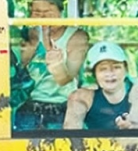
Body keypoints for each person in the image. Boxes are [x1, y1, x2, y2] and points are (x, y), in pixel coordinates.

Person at [14, 0, 89, 130]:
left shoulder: (77, 36)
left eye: (48, 13)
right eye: (37, 13)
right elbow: (14, 71)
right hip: (27, 109)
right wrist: (32, 45)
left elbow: (66, 80)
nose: (43, 18)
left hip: (61, 110)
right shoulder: (25, 36)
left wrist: (55, 63)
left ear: (61, 12)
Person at [63, 42, 138, 130]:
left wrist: (132, 124)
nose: (110, 73)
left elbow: (137, 120)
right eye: (103, 69)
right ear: (94, 74)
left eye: (116, 67)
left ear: (126, 69)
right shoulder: (84, 96)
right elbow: (70, 134)